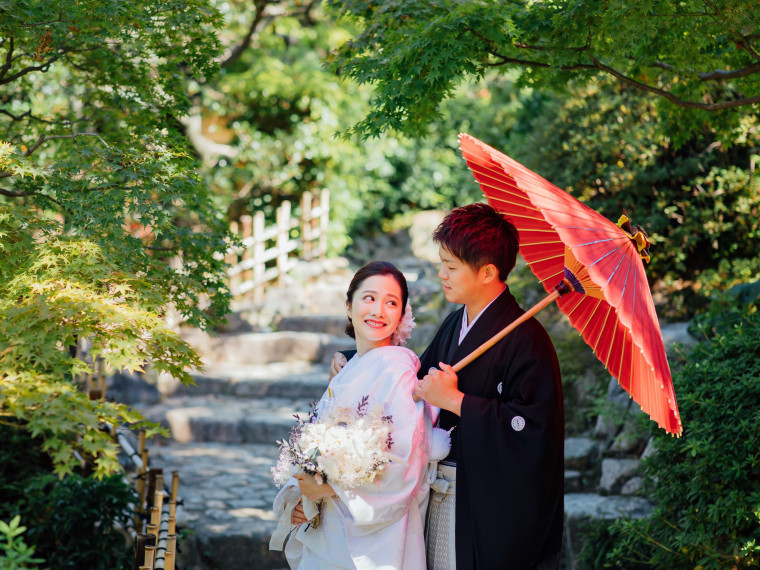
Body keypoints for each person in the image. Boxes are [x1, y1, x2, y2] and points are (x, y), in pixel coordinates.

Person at [330, 204, 564, 570]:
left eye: (451, 266)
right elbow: (411, 380)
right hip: (444, 493)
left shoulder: (528, 341)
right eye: (442, 263)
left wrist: (458, 401)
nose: (442, 274)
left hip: (490, 507)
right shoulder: (457, 322)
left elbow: (534, 432)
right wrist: (354, 360)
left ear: (487, 272)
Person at [271, 261, 434, 569]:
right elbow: (313, 446)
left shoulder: (398, 371)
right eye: (369, 298)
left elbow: (405, 461)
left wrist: (330, 488)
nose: (379, 311)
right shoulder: (351, 368)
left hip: (374, 540)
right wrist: (304, 495)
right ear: (349, 306)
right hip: (330, 525)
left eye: (391, 303)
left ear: (401, 315)